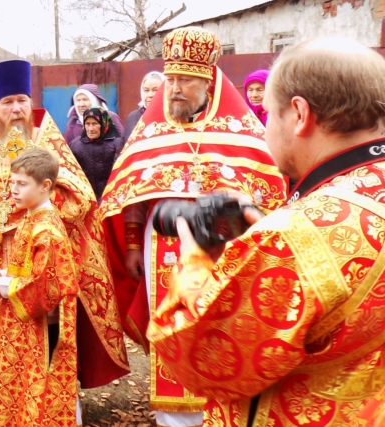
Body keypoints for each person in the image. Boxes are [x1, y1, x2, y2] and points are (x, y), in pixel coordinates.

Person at [146, 36, 385, 427]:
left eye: (268, 114)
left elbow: (200, 357)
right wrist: (259, 231)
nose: (263, 127)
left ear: (299, 114)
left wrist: (195, 255)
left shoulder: (298, 234)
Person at [101, 27, 287, 427]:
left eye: (185, 79)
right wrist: (133, 245)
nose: (174, 88)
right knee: (169, 317)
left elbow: (270, 196)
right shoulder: (151, 131)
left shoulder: (245, 133)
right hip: (160, 246)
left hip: (224, 248)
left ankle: (221, 403)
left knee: (219, 318)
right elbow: (131, 197)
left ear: (209, 80)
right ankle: (172, 416)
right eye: (170, 79)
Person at [0, 60, 130, 393]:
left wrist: (22, 214)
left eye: (21, 100)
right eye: (8, 102)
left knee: (47, 326)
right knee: (6, 327)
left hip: (43, 258)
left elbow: (81, 198)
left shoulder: (49, 143)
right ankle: (12, 398)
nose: (16, 109)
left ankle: (54, 399)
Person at [0, 148, 80, 426]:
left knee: (37, 387)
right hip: (24, 326)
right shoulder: (32, 217)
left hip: (40, 327)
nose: (13, 190)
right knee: (21, 383)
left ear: (45, 186)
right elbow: (26, 268)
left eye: (22, 184)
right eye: (12, 183)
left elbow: (46, 285)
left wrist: (3, 287)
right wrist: (2, 275)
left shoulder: (46, 229)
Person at [68, 107, 124, 201]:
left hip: (112, 199)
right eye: (87, 124)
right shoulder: (76, 146)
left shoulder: (117, 144)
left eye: (94, 124)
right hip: (87, 200)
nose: (90, 129)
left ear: (104, 123)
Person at [122, 71, 165, 143]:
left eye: (155, 90)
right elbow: (123, 146)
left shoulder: (172, 116)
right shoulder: (133, 117)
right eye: (146, 90)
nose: (150, 95)